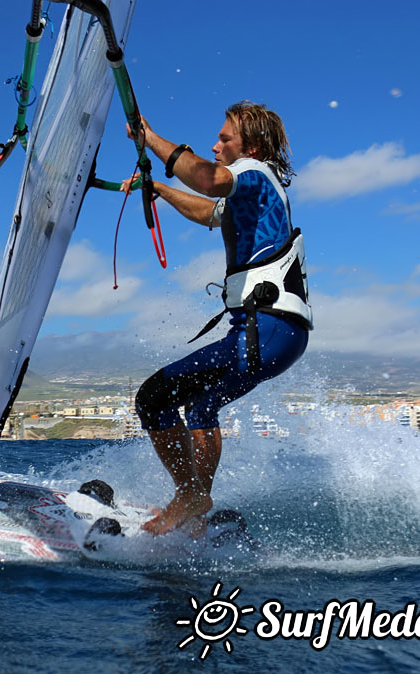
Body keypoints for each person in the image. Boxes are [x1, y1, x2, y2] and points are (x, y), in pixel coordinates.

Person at [125, 101, 313, 536]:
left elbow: (209, 182)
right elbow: (209, 212)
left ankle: (192, 497)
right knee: (201, 404)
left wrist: (150, 139)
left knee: (154, 397)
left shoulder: (253, 172)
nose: (215, 145)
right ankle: (195, 507)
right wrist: (158, 189)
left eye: (225, 139)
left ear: (253, 146)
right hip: (273, 332)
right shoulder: (253, 194)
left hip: (265, 328)